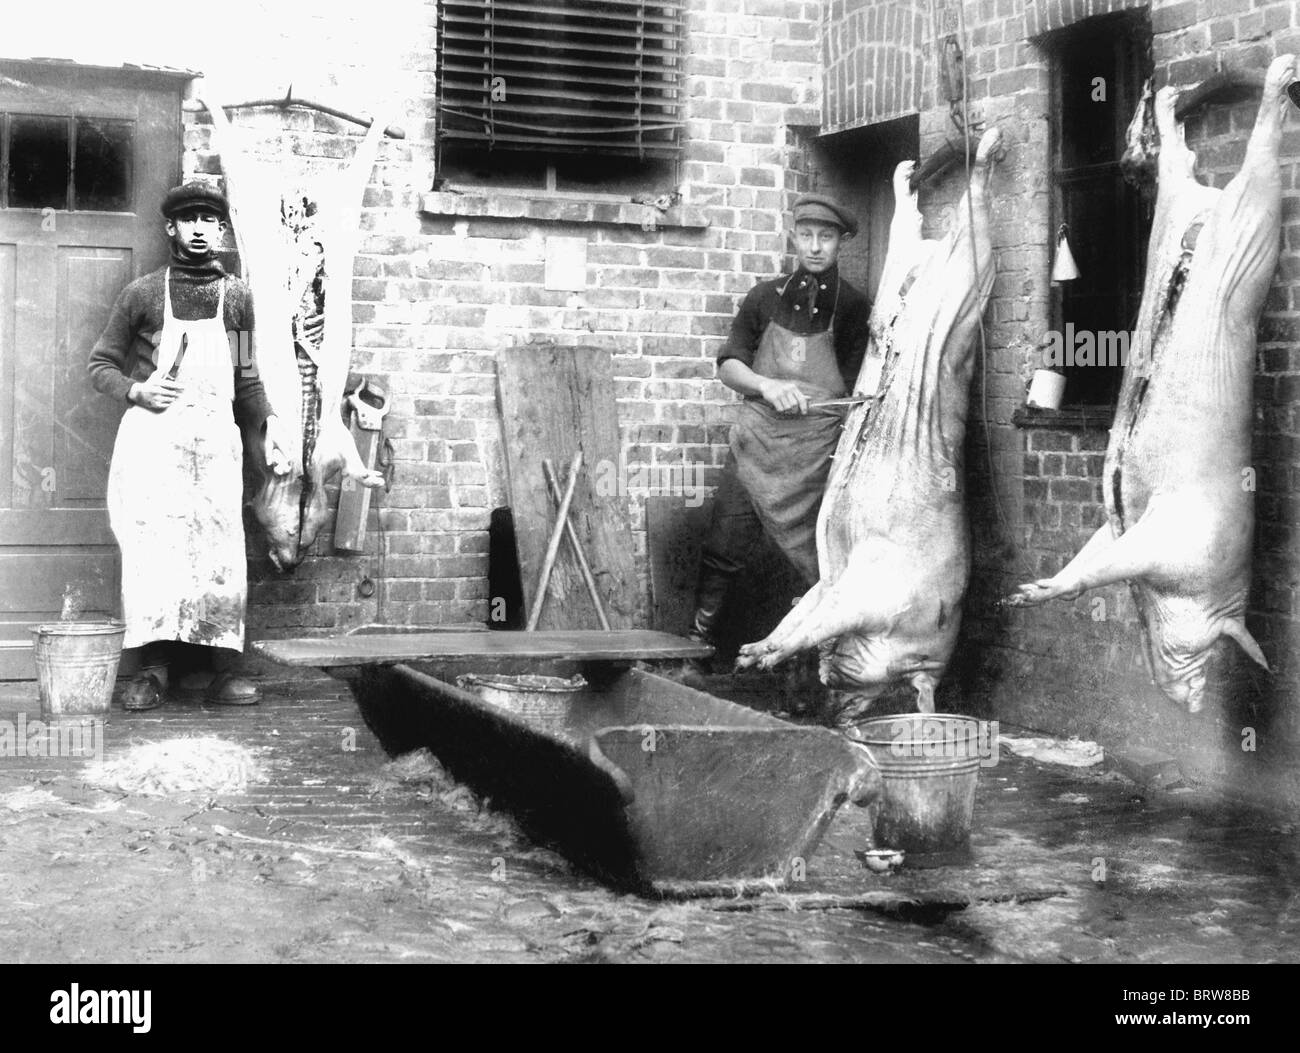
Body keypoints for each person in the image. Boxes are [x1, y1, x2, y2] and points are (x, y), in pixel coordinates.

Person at [88, 182, 292, 710]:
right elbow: (100, 364)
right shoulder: (143, 294)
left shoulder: (238, 298)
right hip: (153, 446)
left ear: (221, 230)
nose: (199, 228)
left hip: (214, 447)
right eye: (189, 219)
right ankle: (152, 671)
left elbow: (246, 378)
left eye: (209, 219)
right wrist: (137, 389)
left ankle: (224, 670)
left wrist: (269, 426)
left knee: (219, 552)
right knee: (155, 551)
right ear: (170, 229)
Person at [689, 193, 872, 654]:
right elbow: (729, 365)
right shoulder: (763, 297)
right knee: (724, 544)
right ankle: (699, 646)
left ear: (840, 243)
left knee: (814, 558)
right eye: (806, 235)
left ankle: (809, 662)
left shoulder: (854, 308)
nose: (815, 247)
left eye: (826, 237)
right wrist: (766, 386)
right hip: (757, 443)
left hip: (817, 456)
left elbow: (858, 393)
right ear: (793, 236)